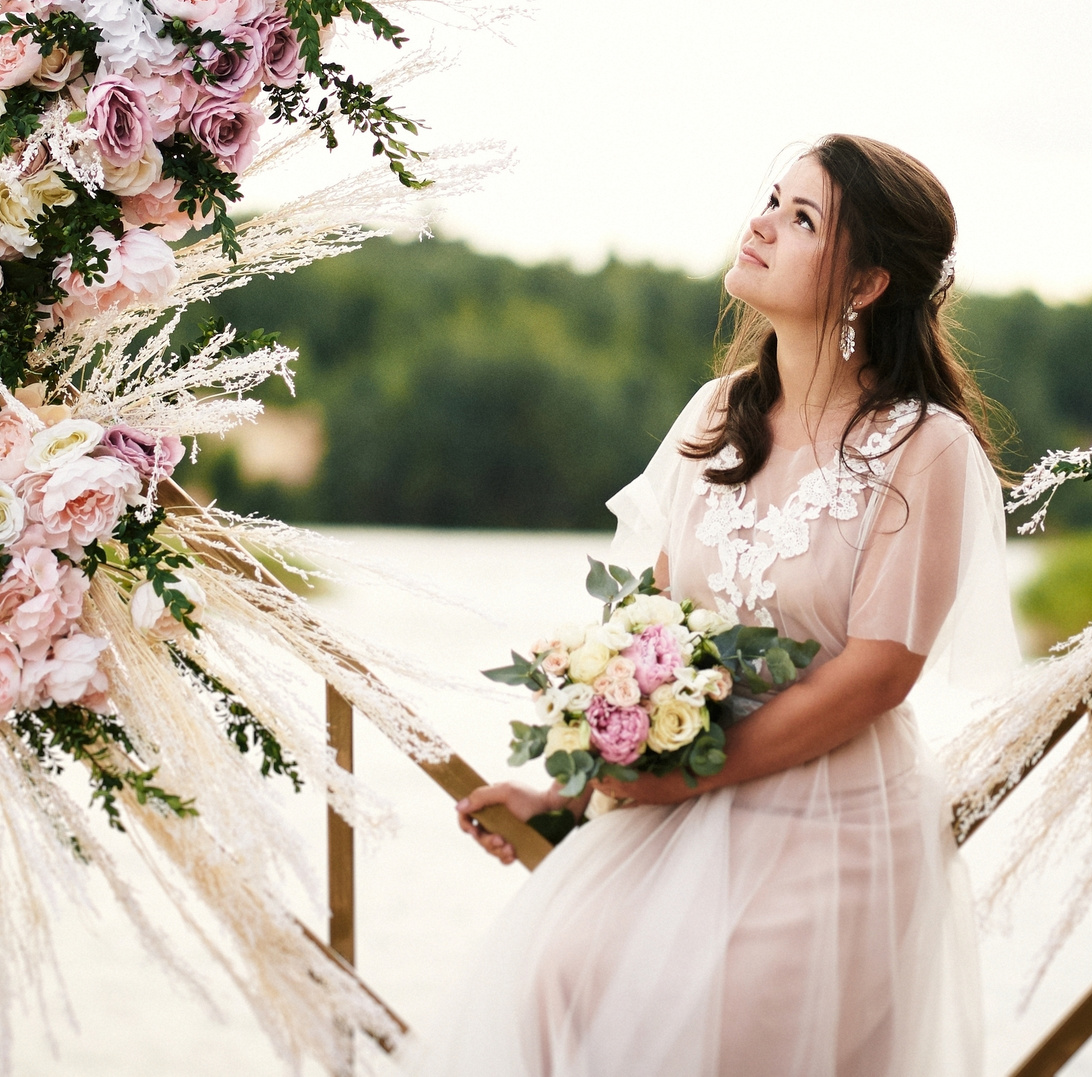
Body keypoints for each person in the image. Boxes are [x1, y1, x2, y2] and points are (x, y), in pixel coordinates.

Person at [420, 134, 1019, 1076]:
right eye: (773, 199)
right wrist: (571, 793)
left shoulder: (924, 445)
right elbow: (652, 630)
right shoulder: (717, 412)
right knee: (555, 971)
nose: (762, 224)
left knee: (709, 1033)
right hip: (681, 799)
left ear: (866, 283)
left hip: (831, 820)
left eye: (802, 218)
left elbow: (879, 672)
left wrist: (687, 780)